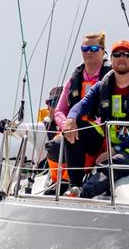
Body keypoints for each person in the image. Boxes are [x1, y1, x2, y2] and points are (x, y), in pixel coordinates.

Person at [63, 40, 129, 198]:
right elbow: (81, 105)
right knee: (75, 127)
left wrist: (114, 150)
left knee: (114, 162)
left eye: (127, 55)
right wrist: (71, 119)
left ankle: (83, 193)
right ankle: (74, 185)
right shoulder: (102, 86)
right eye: (117, 54)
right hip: (105, 141)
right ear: (111, 59)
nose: (122, 58)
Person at [44, 32, 111, 193]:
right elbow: (59, 110)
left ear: (103, 51)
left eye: (94, 48)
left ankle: (76, 185)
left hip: (100, 132)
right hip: (73, 128)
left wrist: (74, 124)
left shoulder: (110, 77)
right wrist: (65, 124)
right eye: (85, 48)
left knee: (77, 129)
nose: (89, 52)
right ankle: (60, 182)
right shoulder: (75, 78)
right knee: (52, 145)